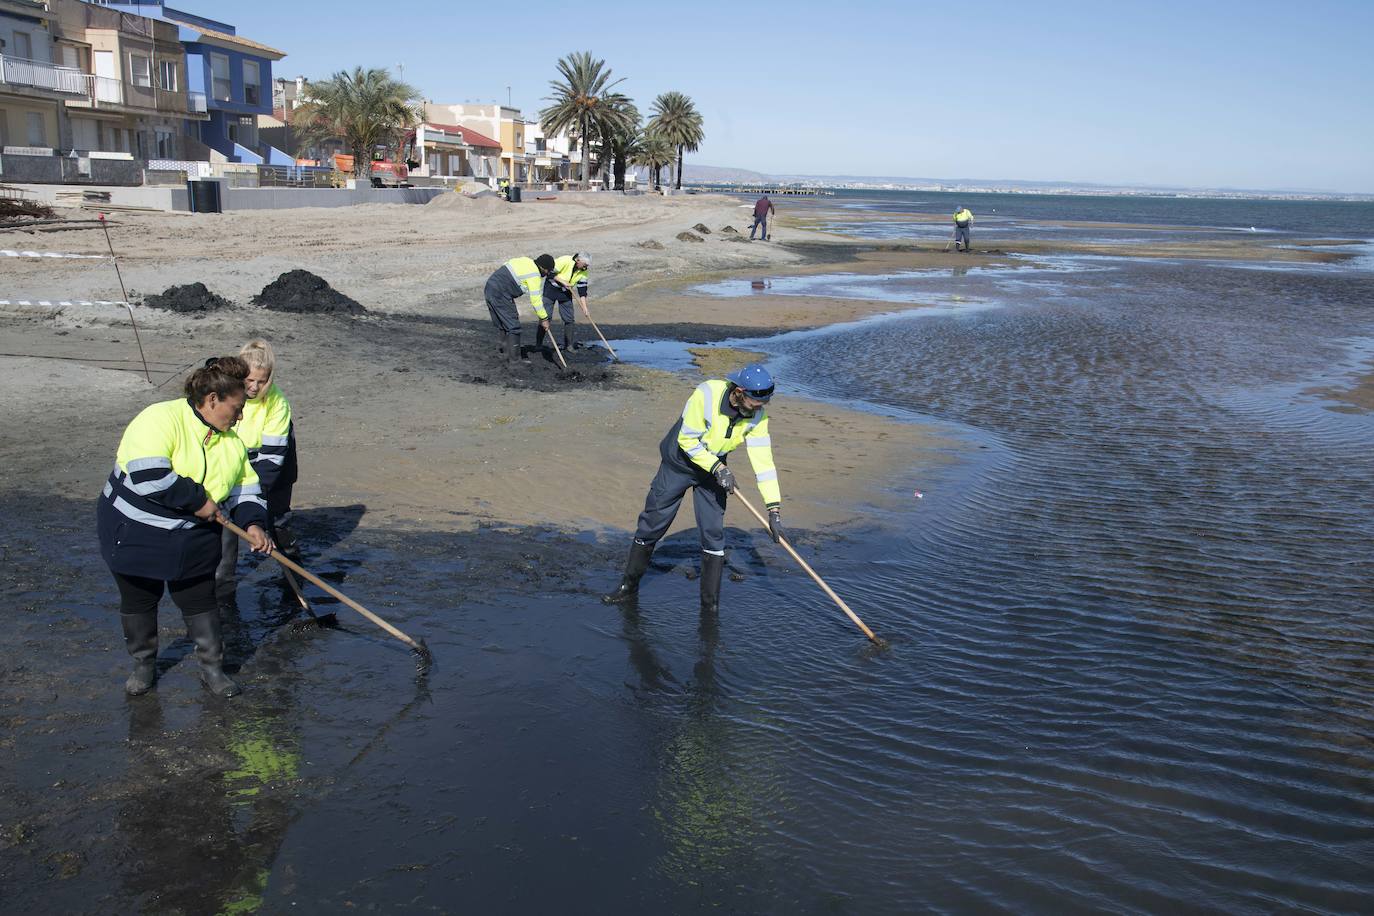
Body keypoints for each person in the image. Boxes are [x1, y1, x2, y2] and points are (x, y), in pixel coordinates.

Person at [97, 357, 273, 697]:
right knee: (139, 599)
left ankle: (212, 668)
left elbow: (246, 488)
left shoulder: (232, 443)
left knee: (200, 601)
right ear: (211, 400)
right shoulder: (159, 418)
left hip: (192, 539)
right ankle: (144, 664)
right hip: (135, 531)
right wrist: (200, 502)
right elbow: (150, 476)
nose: (239, 417)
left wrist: (253, 523)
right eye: (236, 408)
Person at [602, 364, 786, 614]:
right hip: (679, 463)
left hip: (714, 471)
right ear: (740, 391)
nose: (759, 408)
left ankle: (710, 607)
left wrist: (773, 509)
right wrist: (718, 468)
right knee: (652, 523)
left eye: (763, 404)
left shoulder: (757, 416)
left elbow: (764, 464)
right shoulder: (707, 393)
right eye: (755, 402)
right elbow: (687, 440)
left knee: (714, 534)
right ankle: (628, 587)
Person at [215, 339, 298, 608]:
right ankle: (223, 599)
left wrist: (253, 508)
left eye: (261, 382)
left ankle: (294, 586)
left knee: (277, 527)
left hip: (272, 474)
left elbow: (270, 463)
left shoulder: (277, 405)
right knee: (226, 538)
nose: (253, 388)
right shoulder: (227, 397)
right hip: (232, 471)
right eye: (249, 380)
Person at [484, 254, 558, 368]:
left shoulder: (525, 260)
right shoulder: (534, 275)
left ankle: (502, 354)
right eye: (547, 272)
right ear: (543, 268)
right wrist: (544, 318)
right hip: (500, 293)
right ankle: (515, 361)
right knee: (514, 327)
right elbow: (536, 301)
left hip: (490, 287)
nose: (546, 275)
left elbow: (506, 267)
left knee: (504, 324)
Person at [536, 252, 590, 352]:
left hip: (566, 292)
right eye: (585, 264)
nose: (586, 267)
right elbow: (549, 272)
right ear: (578, 260)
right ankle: (538, 344)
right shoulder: (565, 260)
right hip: (551, 289)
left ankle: (569, 345)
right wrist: (563, 281)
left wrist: (584, 307)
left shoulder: (584, 271)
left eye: (587, 265)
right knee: (545, 317)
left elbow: (582, 290)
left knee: (569, 319)